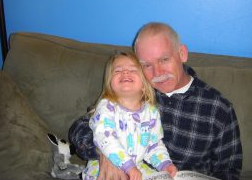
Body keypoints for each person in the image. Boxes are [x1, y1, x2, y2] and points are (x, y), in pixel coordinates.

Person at [69, 22, 242, 180]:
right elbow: (79, 130)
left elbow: (229, 170)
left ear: (182, 53)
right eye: (146, 65)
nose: (157, 73)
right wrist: (105, 153)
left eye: (164, 60)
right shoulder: (135, 91)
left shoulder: (219, 109)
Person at [82, 52, 177, 180]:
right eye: (118, 70)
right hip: (104, 168)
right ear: (110, 84)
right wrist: (128, 166)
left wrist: (165, 164)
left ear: (144, 84)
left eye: (133, 69)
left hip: (137, 167)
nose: (125, 73)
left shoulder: (151, 112)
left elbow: (154, 145)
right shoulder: (106, 106)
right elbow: (105, 138)